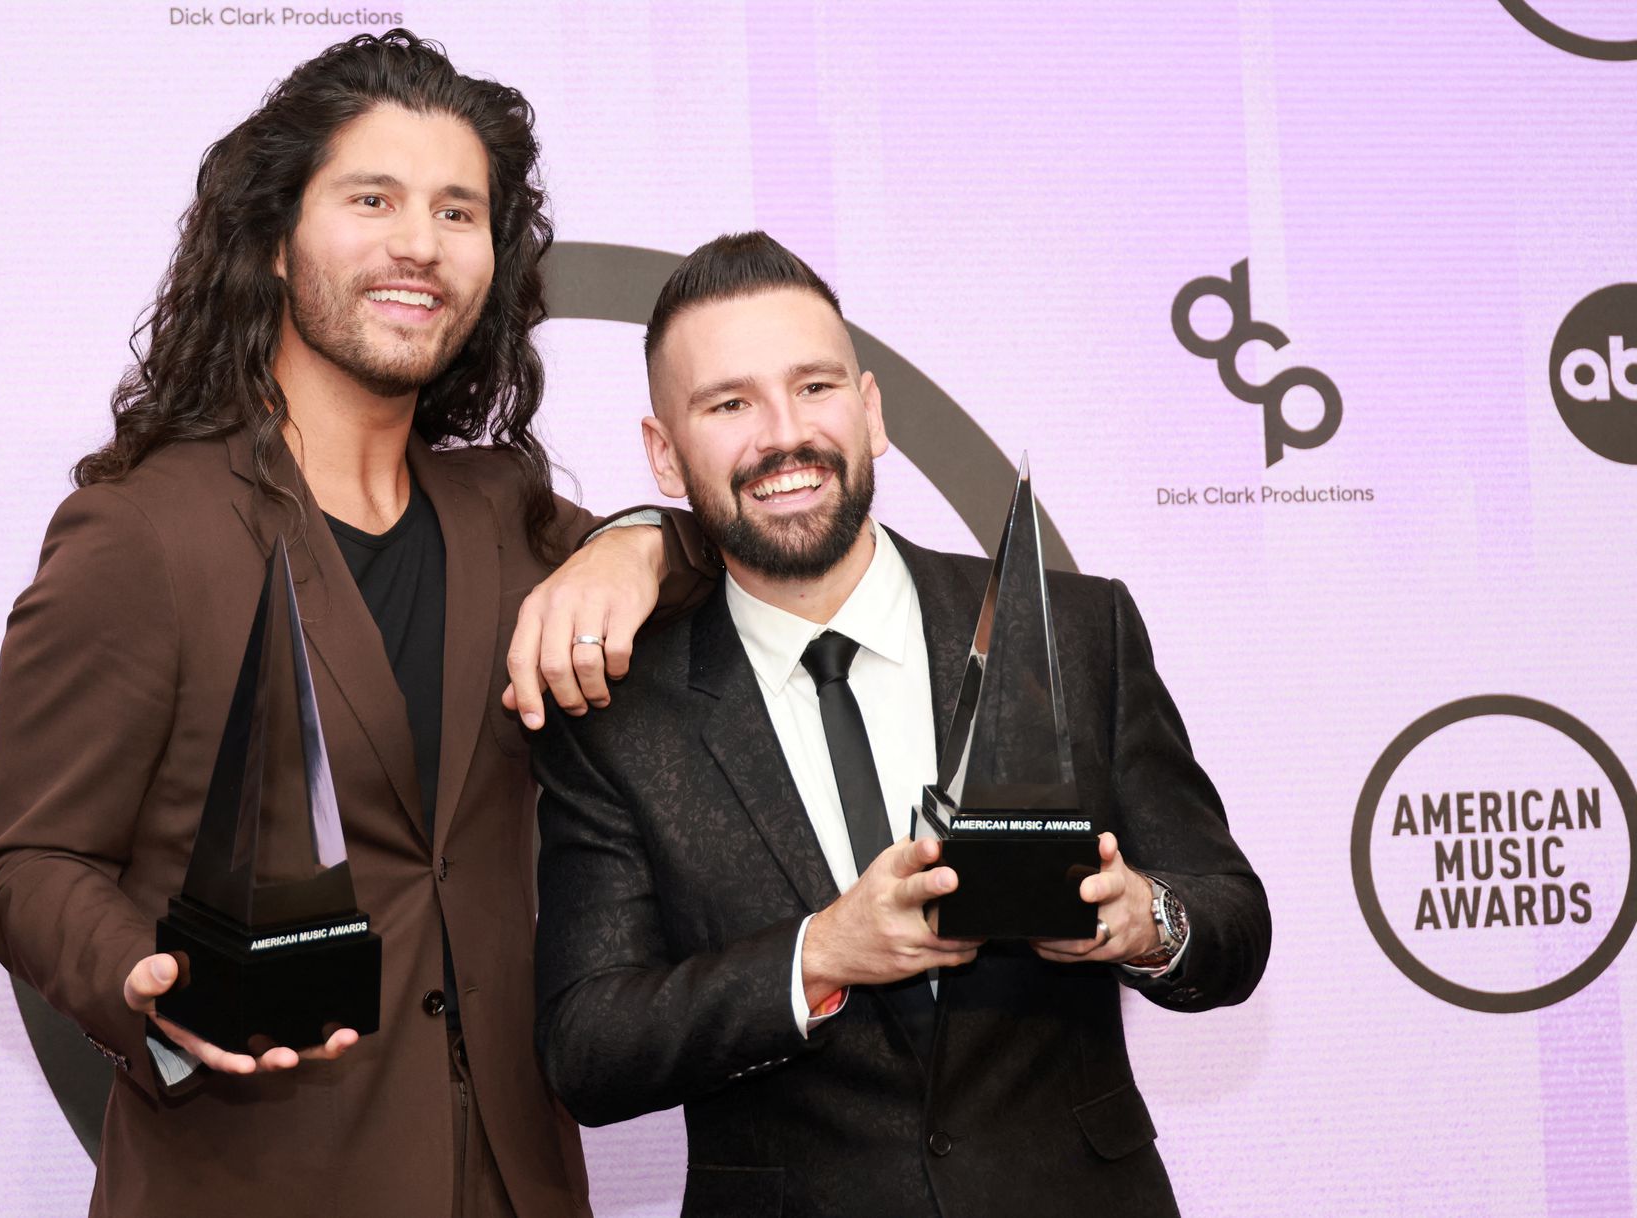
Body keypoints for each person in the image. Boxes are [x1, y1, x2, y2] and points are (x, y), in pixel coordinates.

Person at [0, 32, 710, 1218]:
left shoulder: (506, 513)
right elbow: (31, 863)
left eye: (458, 211)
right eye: (373, 198)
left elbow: (708, 553)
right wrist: (142, 981)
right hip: (256, 1178)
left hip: (519, 1179)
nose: (419, 242)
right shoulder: (141, 532)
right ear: (272, 240)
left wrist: (639, 541)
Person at [531, 232, 1271, 1217]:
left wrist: (1142, 920)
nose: (783, 434)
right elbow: (588, 1045)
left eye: (815, 387)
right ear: (664, 454)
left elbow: (1233, 921)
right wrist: (820, 954)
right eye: (729, 404)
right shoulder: (618, 716)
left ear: (872, 411)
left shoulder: (1075, 631)